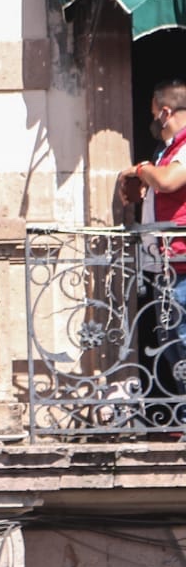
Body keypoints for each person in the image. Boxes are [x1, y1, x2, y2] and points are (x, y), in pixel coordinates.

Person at [118, 79, 186, 391]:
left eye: (154, 114)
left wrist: (142, 168)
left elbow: (169, 181)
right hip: (165, 266)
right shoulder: (167, 152)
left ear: (165, 112)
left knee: (182, 342)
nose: (154, 122)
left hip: (182, 264)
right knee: (172, 346)